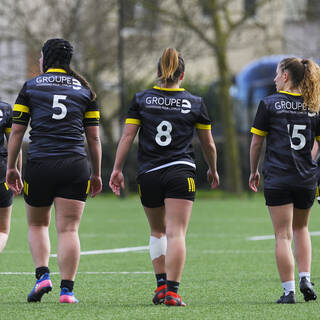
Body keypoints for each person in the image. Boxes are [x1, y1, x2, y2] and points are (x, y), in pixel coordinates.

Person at [109, 48, 219, 306]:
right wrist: (213, 169)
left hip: (149, 174)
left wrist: (116, 169)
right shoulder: (195, 103)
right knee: (176, 233)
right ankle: (172, 291)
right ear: (183, 74)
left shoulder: (141, 99)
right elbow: (209, 145)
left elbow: (127, 137)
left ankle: (160, 286)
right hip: (181, 172)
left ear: (159, 72)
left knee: (157, 231)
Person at [6, 38, 102, 304]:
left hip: (40, 164)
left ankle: (42, 276)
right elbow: (93, 139)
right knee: (69, 230)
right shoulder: (85, 91)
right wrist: (96, 173)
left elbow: (17, 131)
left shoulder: (31, 86)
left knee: (38, 224)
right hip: (75, 165)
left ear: (45, 58)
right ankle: (67, 291)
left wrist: (12, 166)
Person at [249, 57, 320, 304]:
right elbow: (317, 143)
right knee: (301, 229)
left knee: (282, 235)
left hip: (279, 177)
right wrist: (308, 162)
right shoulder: (313, 106)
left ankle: (289, 291)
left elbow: (257, 142)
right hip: (306, 178)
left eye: (277, 74)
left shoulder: (269, 104)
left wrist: (253, 171)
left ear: (286, 76)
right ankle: (306, 277)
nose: (274, 78)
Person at [0, 101, 21, 252]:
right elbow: (15, 144)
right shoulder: (5, 108)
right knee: (2, 231)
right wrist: (17, 173)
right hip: (1, 170)